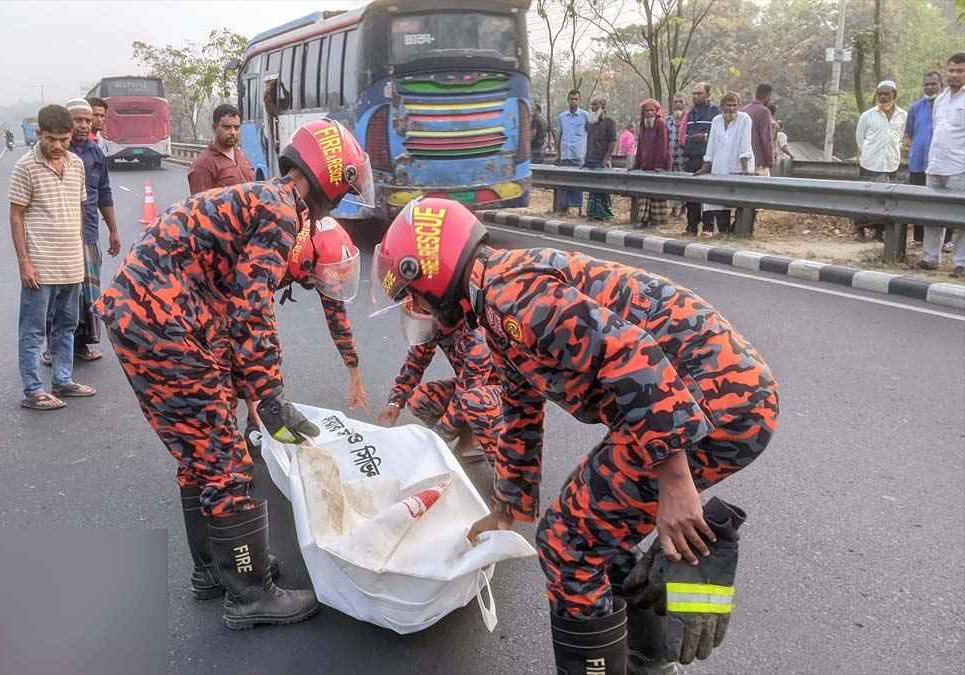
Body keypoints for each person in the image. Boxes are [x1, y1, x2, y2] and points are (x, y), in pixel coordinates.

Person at [371, 197, 777, 675]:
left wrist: (675, 483)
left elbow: (635, 357)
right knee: (588, 528)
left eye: (414, 295)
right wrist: (507, 504)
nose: (416, 310)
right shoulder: (497, 301)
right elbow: (520, 407)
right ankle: (648, 659)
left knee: (567, 546)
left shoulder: (512, 295)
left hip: (712, 405)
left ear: (435, 272)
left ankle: (693, 552)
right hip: (684, 404)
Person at [96, 119, 372, 630]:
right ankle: (249, 593)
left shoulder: (263, 198)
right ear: (328, 178)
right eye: (344, 186)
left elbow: (229, 313)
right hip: (164, 323)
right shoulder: (282, 210)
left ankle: (216, 571)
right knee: (226, 461)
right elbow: (252, 307)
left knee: (201, 449)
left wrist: (251, 391)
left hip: (152, 316)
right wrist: (270, 398)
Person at [239, 217, 367, 459]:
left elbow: (337, 318)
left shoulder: (319, 259)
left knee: (266, 368)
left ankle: (258, 428)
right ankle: (245, 441)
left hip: (248, 299)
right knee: (234, 374)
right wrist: (267, 402)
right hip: (204, 298)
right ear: (306, 266)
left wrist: (355, 372)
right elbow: (250, 335)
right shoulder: (266, 258)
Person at [8, 104, 95, 411]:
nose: (57, 146)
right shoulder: (25, 167)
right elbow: (16, 216)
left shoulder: (76, 165)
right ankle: (33, 389)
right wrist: (24, 262)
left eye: (63, 139)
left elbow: (80, 210)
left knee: (66, 325)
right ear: (38, 134)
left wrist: (82, 254)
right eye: (50, 139)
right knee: (32, 330)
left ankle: (62, 379)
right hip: (40, 266)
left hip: (71, 262)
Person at [41, 99, 119, 366]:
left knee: (88, 292)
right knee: (59, 293)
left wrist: (114, 231)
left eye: (88, 120)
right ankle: (53, 346)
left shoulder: (96, 153)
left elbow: (104, 193)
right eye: (78, 120)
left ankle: (82, 343)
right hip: (58, 236)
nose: (84, 125)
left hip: (88, 233)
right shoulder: (54, 153)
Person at [375, 314, 501, 466]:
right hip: (473, 390)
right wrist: (395, 401)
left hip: (509, 399)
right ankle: (470, 437)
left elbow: (465, 396)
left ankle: (507, 474)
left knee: (475, 403)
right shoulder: (437, 320)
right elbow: (416, 361)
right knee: (419, 399)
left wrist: (436, 441)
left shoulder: (477, 336)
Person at [918, 52, 965, 277]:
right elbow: (938, 131)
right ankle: (930, 257)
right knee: (932, 214)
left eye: (960, 71)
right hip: (935, 165)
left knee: (961, 219)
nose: (954, 75)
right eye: (952, 70)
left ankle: (961, 262)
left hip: (960, 167)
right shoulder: (941, 99)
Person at [693, 92, 754, 237]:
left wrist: (745, 168)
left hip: (739, 165)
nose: (732, 108)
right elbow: (712, 144)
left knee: (740, 201)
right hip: (720, 166)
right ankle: (723, 231)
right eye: (728, 105)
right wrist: (705, 166)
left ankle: (739, 232)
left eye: (735, 105)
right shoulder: (716, 120)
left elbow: (745, 143)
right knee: (718, 201)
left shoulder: (744, 119)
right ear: (722, 106)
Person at [853, 80, 907, 241]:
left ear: (894, 95)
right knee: (865, 197)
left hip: (891, 163)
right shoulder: (867, 115)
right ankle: (860, 230)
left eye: (886, 94)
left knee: (886, 200)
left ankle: (879, 232)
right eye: (880, 94)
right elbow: (859, 138)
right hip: (870, 163)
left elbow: (902, 137)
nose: (883, 97)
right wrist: (869, 153)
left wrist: (893, 150)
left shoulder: (903, 115)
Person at [905, 71, 942, 246]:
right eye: (926, 84)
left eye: (933, 84)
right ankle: (919, 238)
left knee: (943, 203)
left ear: (941, 85)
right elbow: (911, 133)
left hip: (940, 162)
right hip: (918, 161)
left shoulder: (945, 105)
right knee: (918, 200)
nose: (930, 87)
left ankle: (946, 240)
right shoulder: (915, 107)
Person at [187, 104, 255, 194]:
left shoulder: (241, 155)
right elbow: (201, 205)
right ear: (214, 128)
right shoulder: (202, 166)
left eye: (236, 128)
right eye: (227, 127)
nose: (233, 132)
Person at [681, 82, 719, 234]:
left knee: (707, 194)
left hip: (707, 159)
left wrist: (705, 137)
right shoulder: (690, 113)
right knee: (691, 195)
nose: (696, 96)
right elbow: (685, 134)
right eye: (694, 93)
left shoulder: (715, 112)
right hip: (691, 158)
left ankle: (708, 227)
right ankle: (691, 226)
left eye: (699, 93)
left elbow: (719, 135)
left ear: (708, 95)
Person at [632, 99, 671, 229]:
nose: (649, 113)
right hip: (645, 167)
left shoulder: (660, 124)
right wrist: (636, 165)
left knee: (656, 195)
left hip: (657, 168)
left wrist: (659, 166)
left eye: (652, 110)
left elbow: (663, 146)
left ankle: (657, 222)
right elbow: (640, 147)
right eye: (646, 111)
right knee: (644, 195)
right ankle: (643, 220)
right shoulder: (643, 125)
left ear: (656, 112)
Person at [583, 97, 617, 221]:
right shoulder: (591, 122)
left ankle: (603, 214)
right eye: (591, 104)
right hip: (591, 158)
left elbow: (613, 141)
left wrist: (607, 158)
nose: (592, 107)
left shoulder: (609, 122)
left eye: (595, 104)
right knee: (592, 188)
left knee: (601, 189)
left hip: (602, 160)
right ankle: (592, 213)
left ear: (602, 105)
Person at [556, 90, 588, 215]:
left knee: (578, 181)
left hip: (578, 154)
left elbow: (590, 134)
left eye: (576, 99)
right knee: (564, 181)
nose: (573, 101)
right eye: (571, 99)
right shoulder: (562, 117)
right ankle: (564, 208)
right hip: (565, 154)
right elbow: (559, 136)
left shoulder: (585, 115)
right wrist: (558, 154)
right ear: (567, 100)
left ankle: (579, 208)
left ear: (579, 100)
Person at [740, 84, 775, 176]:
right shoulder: (764, 111)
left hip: (744, 162)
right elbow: (766, 139)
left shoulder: (744, 110)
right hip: (759, 162)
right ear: (768, 95)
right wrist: (770, 160)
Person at [665, 94, 687, 216]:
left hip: (684, 157)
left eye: (681, 101)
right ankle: (673, 209)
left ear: (685, 104)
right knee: (672, 183)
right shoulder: (668, 120)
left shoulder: (689, 119)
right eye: (676, 102)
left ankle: (684, 208)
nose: (678, 104)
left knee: (684, 183)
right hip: (671, 157)